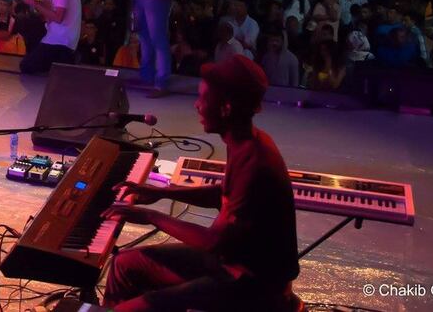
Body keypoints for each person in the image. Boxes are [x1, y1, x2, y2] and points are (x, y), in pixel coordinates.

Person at [102, 55, 299, 311]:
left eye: (202, 99)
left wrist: (151, 216)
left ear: (225, 108)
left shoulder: (256, 162)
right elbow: (222, 195)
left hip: (252, 285)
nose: (196, 106)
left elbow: (213, 242)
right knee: (123, 265)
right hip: (230, 264)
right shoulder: (246, 141)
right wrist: (162, 193)